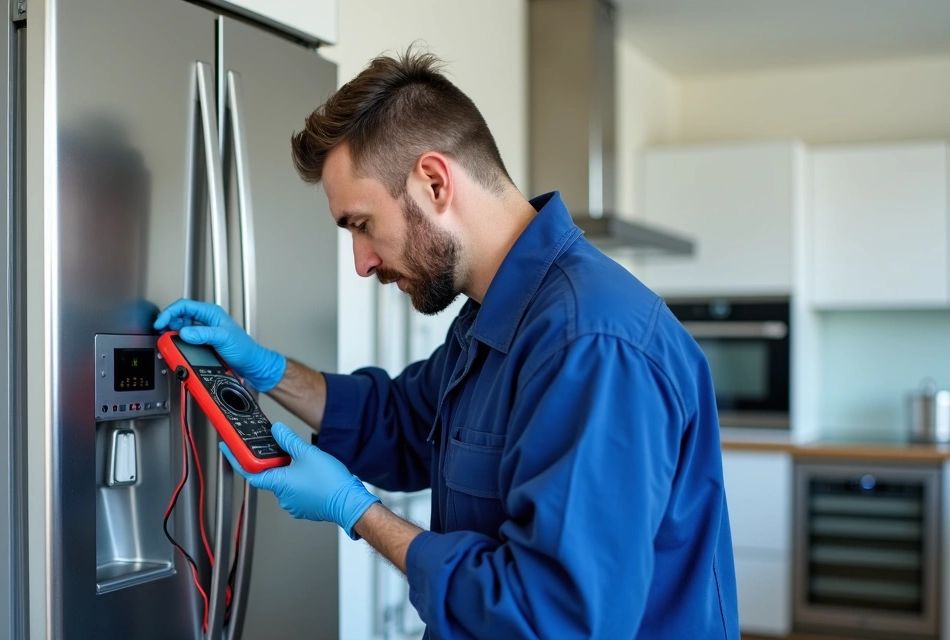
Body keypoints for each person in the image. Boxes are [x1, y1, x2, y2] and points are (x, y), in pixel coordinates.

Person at [154, 49, 738, 639]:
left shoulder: (590, 344)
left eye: (361, 224)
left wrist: (359, 513)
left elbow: (550, 618)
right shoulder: (495, 316)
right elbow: (401, 420)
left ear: (434, 182)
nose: (361, 262)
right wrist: (267, 370)